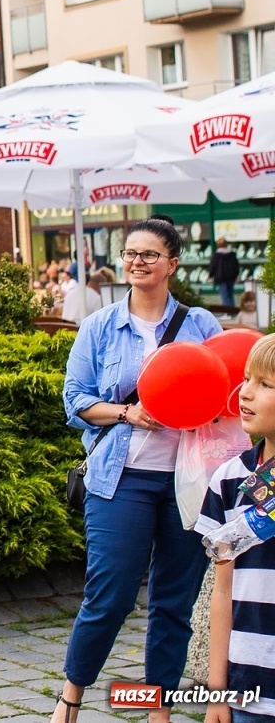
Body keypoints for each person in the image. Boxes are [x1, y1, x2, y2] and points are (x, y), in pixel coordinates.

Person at [55, 217, 222, 723]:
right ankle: (71, 696)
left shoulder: (201, 327)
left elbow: (223, 396)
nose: (137, 262)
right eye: (130, 253)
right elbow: (74, 401)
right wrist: (129, 412)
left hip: (186, 480)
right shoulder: (100, 326)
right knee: (110, 596)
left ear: (172, 263)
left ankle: (158, 709)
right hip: (119, 478)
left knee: (174, 601)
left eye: (149, 254)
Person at [199, 334, 275, 723]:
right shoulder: (228, 480)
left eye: (265, 384)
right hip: (250, 685)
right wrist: (218, 693)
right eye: (247, 379)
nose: (244, 393)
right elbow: (222, 591)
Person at [211, 237, 242, 308]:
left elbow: (213, 266)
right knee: (230, 295)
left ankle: (227, 311)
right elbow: (236, 266)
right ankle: (232, 310)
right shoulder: (232, 254)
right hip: (231, 277)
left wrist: (210, 275)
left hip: (220, 278)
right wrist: (236, 275)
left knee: (224, 295)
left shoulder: (216, 256)